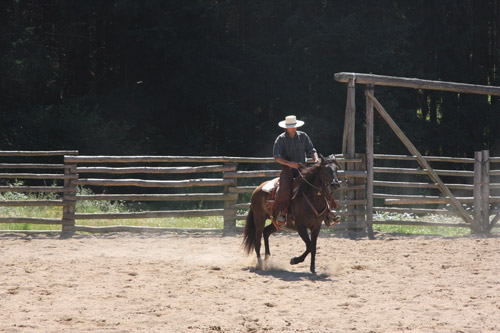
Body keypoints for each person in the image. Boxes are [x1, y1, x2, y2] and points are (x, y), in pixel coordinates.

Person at [273, 115, 319, 223]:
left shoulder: (303, 136)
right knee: (284, 189)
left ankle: (327, 211)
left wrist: (316, 160)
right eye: (290, 126)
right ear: (286, 127)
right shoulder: (281, 139)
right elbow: (277, 157)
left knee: (318, 183)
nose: (293, 128)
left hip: (303, 168)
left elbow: (312, 150)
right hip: (288, 170)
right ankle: (282, 212)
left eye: (294, 126)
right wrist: (290, 164)